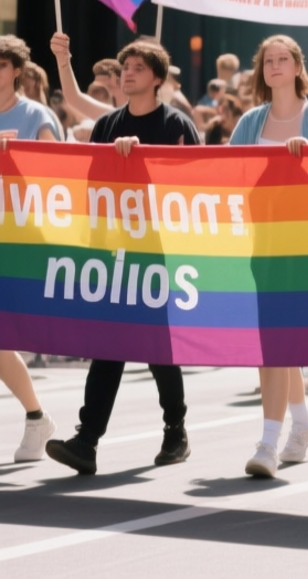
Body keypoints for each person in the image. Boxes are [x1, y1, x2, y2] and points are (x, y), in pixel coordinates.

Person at [45, 41, 199, 474]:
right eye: (126, 66)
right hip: (113, 254)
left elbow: (194, 187)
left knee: (157, 348)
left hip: (159, 254)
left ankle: (175, 430)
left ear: (157, 78)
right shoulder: (107, 124)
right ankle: (87, 441)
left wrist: (145, 160)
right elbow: (93, 186)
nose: (128, 73)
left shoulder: (176, 125)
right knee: (108, 346)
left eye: (137, 68)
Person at [229, 35, 308, 478]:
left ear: (298, 67)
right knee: (274, 343)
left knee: (286, 341)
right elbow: (226, 175)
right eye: (268, 61)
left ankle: (282, 434)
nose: (275, 66)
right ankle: (285, 432)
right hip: (266, 243)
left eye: (283, 59)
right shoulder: (250, 121)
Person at [0, 36, 61, 462]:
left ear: (16, 70)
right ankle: (37, 417)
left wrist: (18, 155)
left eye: (0, 64)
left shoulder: (35, 114)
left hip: (19, 241)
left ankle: (38, 417)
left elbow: (58, 172)